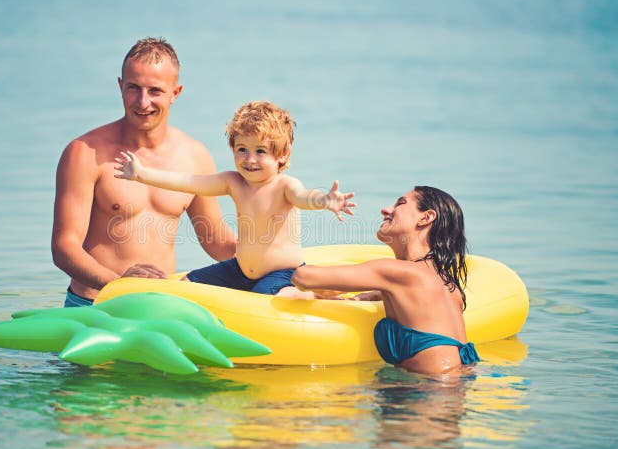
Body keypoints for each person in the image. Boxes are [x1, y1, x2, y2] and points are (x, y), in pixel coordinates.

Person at [52, 37, 236, 307]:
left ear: (176, 93)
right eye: (133, 88)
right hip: (94, 304)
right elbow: (64, 247)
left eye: (155, 91)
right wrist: (120, 284)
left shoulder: (194, 156)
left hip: (157, 306)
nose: (142, 101)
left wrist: (272, 261)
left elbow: (216, 240)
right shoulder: (84, 153)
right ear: (120, 87)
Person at [114, 101, 356, 297]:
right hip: (239, 269)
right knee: (187, 284)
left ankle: (314, 293)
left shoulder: (284, 185)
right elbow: (189, 182)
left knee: (266, 299)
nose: (249, 159)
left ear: (281, 156)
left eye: (260, 151)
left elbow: (304, 197)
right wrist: (142, 174)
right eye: (242, 149)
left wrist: (325, 200)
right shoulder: (233, 182)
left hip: (283, 273)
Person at [291, 186, 480, 376]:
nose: (385, 210)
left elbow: (303, 276)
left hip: (426, 395)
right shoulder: (449, 286)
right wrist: (363, 297)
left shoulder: (395, 272)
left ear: (425, 217)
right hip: (460, 384)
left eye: (400, 203)